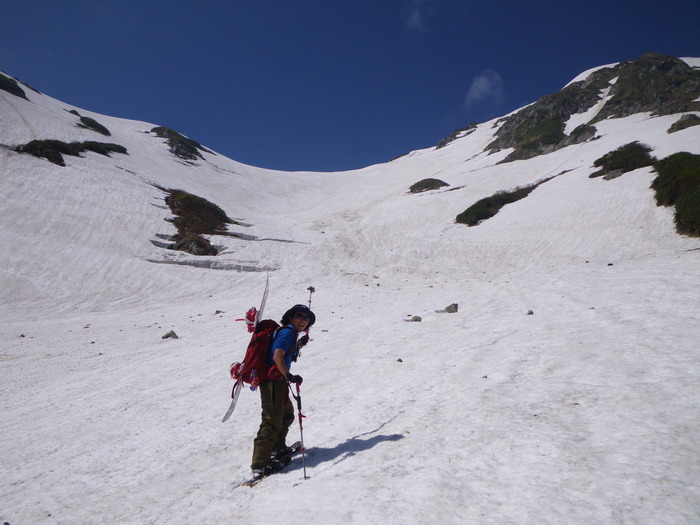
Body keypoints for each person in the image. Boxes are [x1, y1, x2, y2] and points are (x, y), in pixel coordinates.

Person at [250, 304, 315, 475]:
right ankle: (260, 462)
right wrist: (288, 375)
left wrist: (299, 345)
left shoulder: (290, 333)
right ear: (290, 317)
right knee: (271, 420)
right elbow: (277, 355)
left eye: (306, 319)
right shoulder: (287, 332)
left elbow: (284, 353)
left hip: (278, 382)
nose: (303, 320)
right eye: (299, 316)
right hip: (273, 382)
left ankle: (277, 448)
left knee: (286, 414)